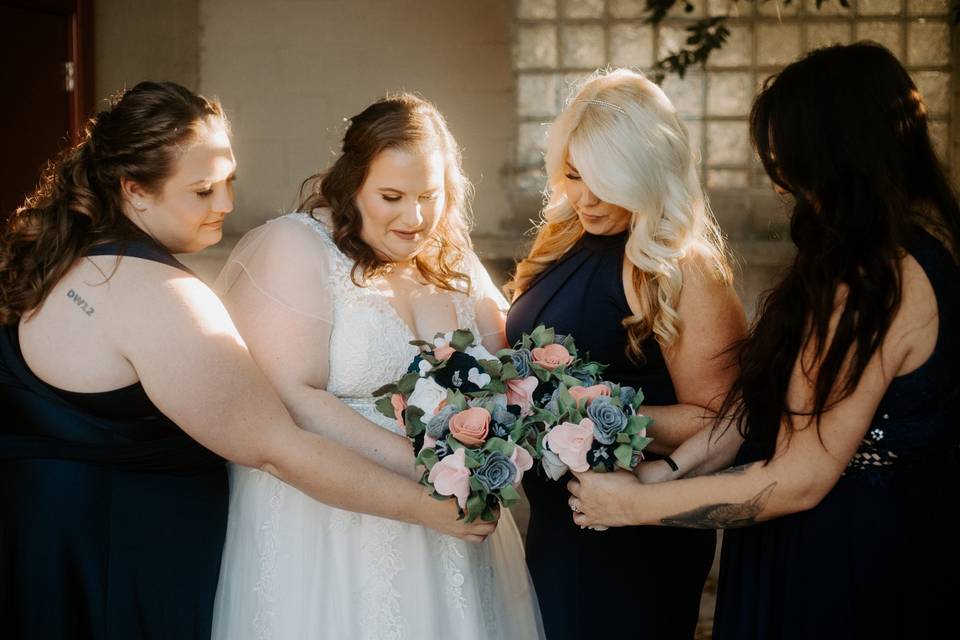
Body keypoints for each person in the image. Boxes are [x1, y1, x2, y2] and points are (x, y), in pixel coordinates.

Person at [0, 82, 495, 640]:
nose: (227, 205)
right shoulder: (161, 298)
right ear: (135, 191)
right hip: (121, 569)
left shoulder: (63, 264)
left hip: (47, 554)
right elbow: (280, 451)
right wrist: (427, 506)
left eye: (229, 180)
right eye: (203, 190)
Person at [567, 43, 960, 639]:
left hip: (852, 563)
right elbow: (765, 401)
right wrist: (666, 471)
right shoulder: (861, 251)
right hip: (821, 540)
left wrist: (633, 506)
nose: (777, 172)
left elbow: (800, 475)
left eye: (787, 154)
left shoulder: (878, 279)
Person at [209, 94, 544, 640]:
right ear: (352, 183)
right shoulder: (298, 246)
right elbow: (294, 397)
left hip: (454, 525)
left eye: (429, 197)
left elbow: (509, 368)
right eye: (391, 196)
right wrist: (431, 471)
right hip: (332, 524)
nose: (414, 218)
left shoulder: (452, 257)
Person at [504, 68, 746, 639]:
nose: (583, 197)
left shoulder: (683, 268)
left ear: (645, 173)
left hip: (634, 532)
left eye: (604, 182)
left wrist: (584, 415)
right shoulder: (563, 242)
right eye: (571, 176)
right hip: (559, 524)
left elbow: (720, 419)